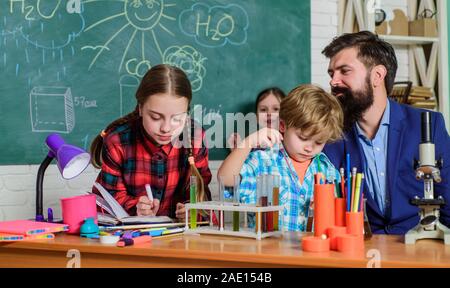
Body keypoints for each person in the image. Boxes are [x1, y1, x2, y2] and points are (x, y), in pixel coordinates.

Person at [322, 31, 450, 234]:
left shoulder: (428, 125)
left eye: (344, 71)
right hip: (358, 252)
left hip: (420, 249)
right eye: (331, 74)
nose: (333, 81)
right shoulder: (331, 135)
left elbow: (448, 199)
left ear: (377, 76)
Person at [90, 64, 212, 221]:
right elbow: (108, 199)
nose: (166, 128)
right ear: (140, 108)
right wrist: (135, 208)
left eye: (177, 118)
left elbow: (203, 195)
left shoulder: (195, 137)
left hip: (182, 237)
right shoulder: (118, 141)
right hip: (132, 238)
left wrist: (192, 211)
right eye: (155, 117)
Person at [218, 84, 343, 231]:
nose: (309, 148)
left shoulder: (327, 170)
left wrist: (327, 210)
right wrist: (248, 142)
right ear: (283, 126)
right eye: (303, 138)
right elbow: (225, 179)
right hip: (268, 252)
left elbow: (338, 220)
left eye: (319, 142)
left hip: (313, 252)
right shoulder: (263, 161)